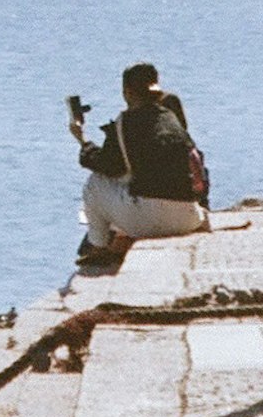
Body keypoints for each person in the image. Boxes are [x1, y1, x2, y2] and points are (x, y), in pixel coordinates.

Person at [73, 65, 208, 269]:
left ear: (126, 92)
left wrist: (82, 140)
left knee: (96, 184)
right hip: (189, 218)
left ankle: (99, 247)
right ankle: (119, 238)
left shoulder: (125, 123)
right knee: (132, 186)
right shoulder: (172, 119)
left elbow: (109, 167)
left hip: (150, 220)